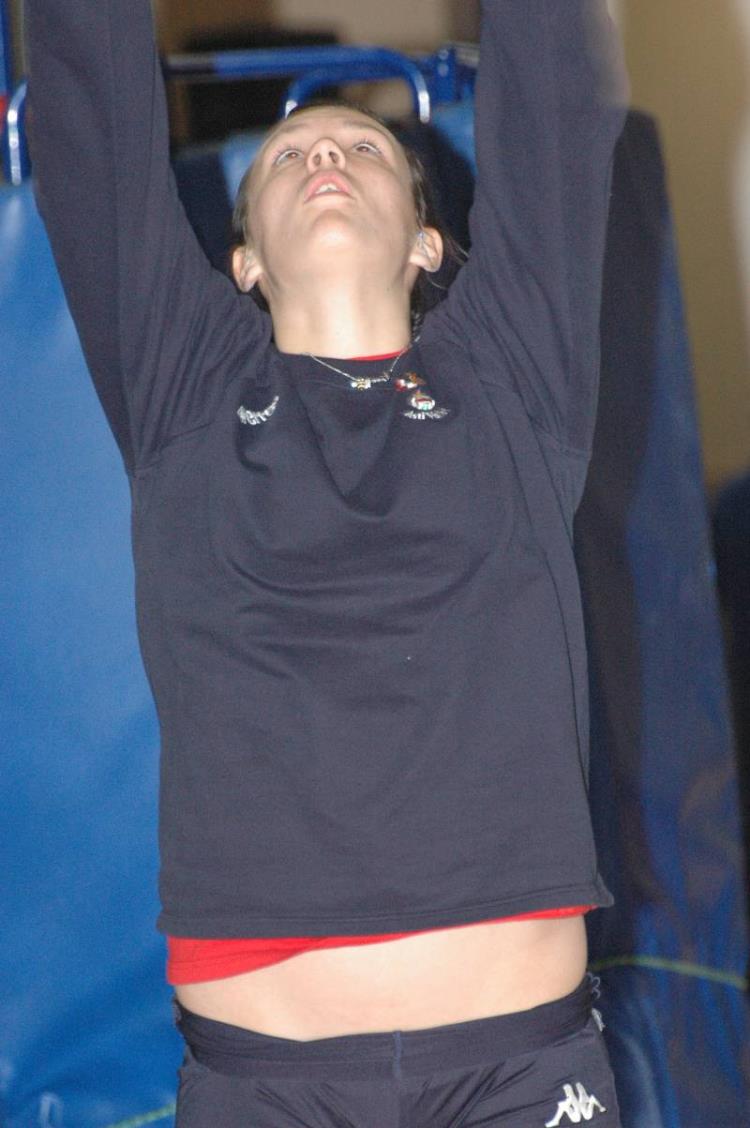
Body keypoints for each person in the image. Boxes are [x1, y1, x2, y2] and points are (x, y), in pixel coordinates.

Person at [27, 0, 629, 1124]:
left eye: (365, 146)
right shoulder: (186, 393)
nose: (325, 158)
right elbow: (90, 123)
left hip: (516, 1072)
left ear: (427, 241)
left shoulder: (512, 378)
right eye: (288, 155)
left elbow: (555, 96)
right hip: (268, 1083)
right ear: (245, 258)